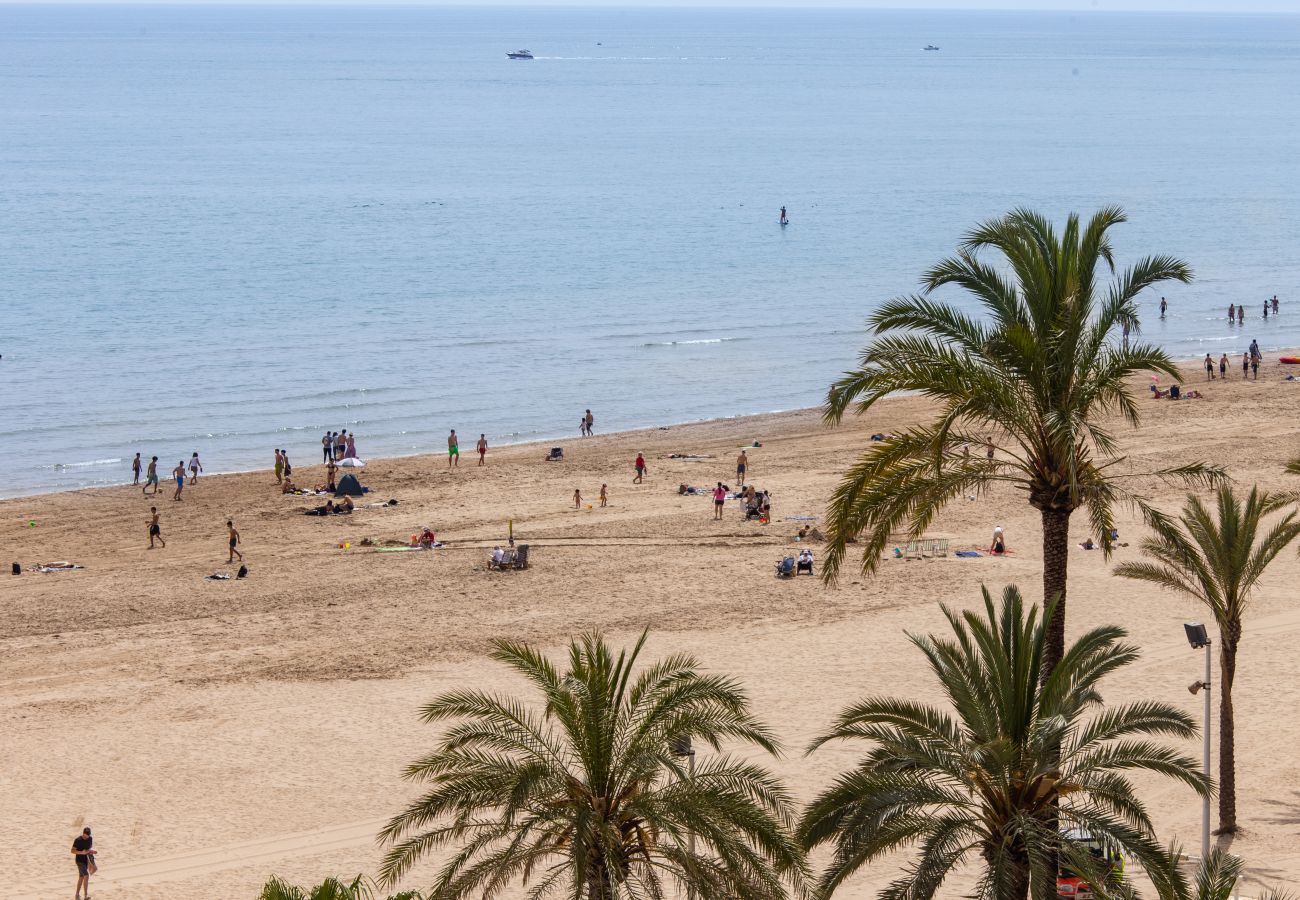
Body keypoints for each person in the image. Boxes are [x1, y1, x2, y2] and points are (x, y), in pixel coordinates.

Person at [72, 826, 94, 899]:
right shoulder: (78, 840)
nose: (86, 837)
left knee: (81, 877)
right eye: (85, 835)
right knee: (86, 875)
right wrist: (81, 852)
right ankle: (86, 895)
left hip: (86, 860)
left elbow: (90, 848)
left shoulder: (90, 839)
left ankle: (77, 895)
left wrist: (92, 851)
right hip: (79, 861)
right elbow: (72, 851)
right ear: (83, 833)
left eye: (87, 835)